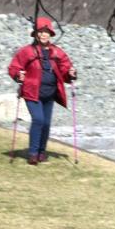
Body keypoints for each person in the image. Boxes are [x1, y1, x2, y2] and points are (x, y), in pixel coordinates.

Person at [8, 17, 77, 165]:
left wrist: (71, 73)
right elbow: (14, 67)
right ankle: (33, 153)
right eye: (40, 31)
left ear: (50, 34)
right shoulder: (26, 51)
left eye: (46, 32)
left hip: (50, 93)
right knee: (38, 120)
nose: (43, 35)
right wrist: (18, 75)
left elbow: (65, 68)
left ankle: (41, 152)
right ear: (35, 34)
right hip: (32, 92)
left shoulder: (57, 52)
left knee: (46, 123)